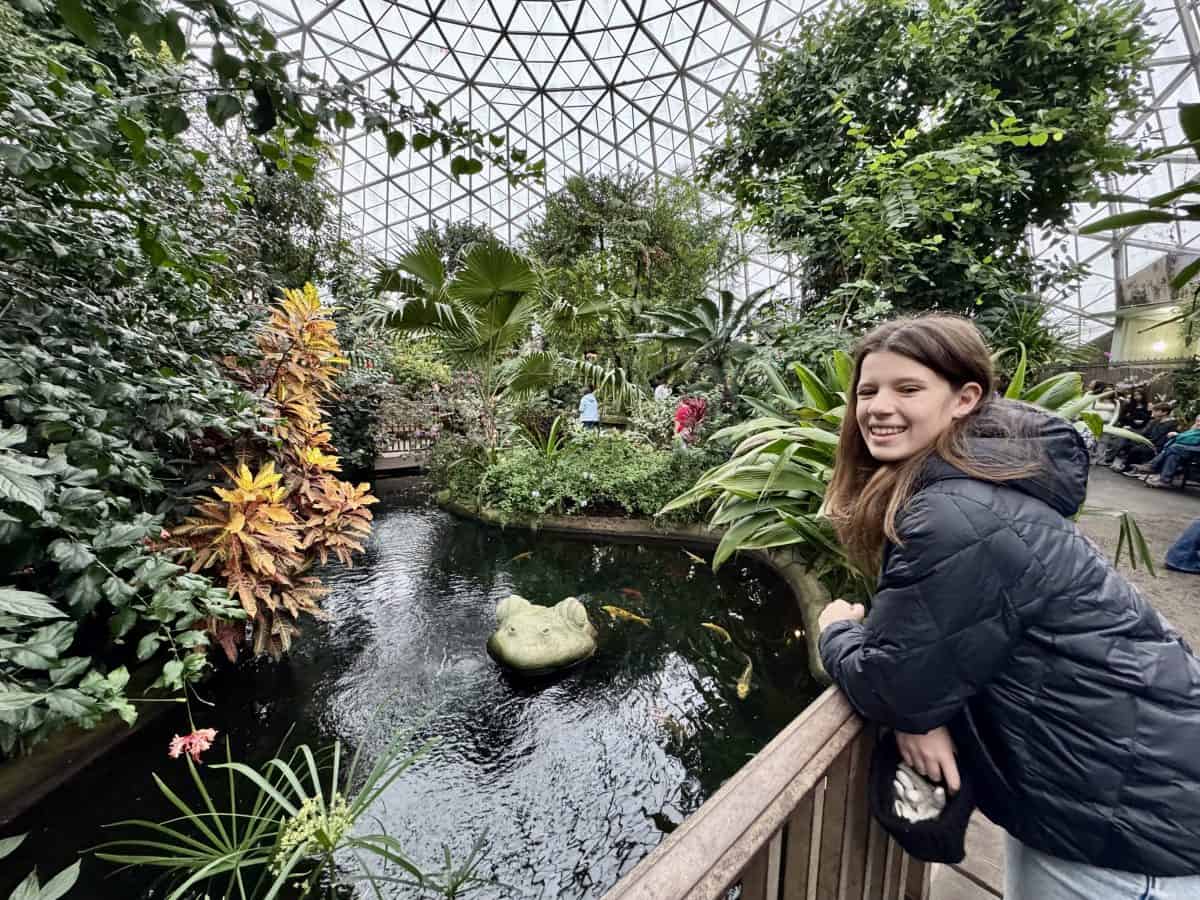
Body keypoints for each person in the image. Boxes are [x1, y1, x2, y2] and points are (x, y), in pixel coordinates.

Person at [814, 315, 1200, 899]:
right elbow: (937, 654)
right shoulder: (980, 486)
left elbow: (897, 687)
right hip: (1120, 782)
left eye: (908, 388)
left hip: (1124, 820)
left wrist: (837, 630)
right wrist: (926, 710)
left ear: (965, 398)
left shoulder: (955, 513)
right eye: (867, 391)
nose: (878, 407)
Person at [1129, 413, 1200, 488]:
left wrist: (1177, 435)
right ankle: (1164, 480)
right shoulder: (1195, 430)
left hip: (1196, 453)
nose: (1198, 423)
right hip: (1186, 451)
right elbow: (1184, 439)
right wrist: (1177, 436)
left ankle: (1152, 467)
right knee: (1173, 454)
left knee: (1174, 447)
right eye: (1197, 421)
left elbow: (1192, 441)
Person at [1110, 401, 1177, 472]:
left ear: (1164, 412)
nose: (1153, 413)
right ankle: (1125, 465)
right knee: (1127, 443)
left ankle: (1129, 468)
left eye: (1156, 411)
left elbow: (1160, 438)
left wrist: (1145, 441)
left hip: (1157, 446)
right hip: (1148, 442)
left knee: (1137, 449)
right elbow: (1145, 432)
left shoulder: (1171, 424)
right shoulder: (1155, 421)